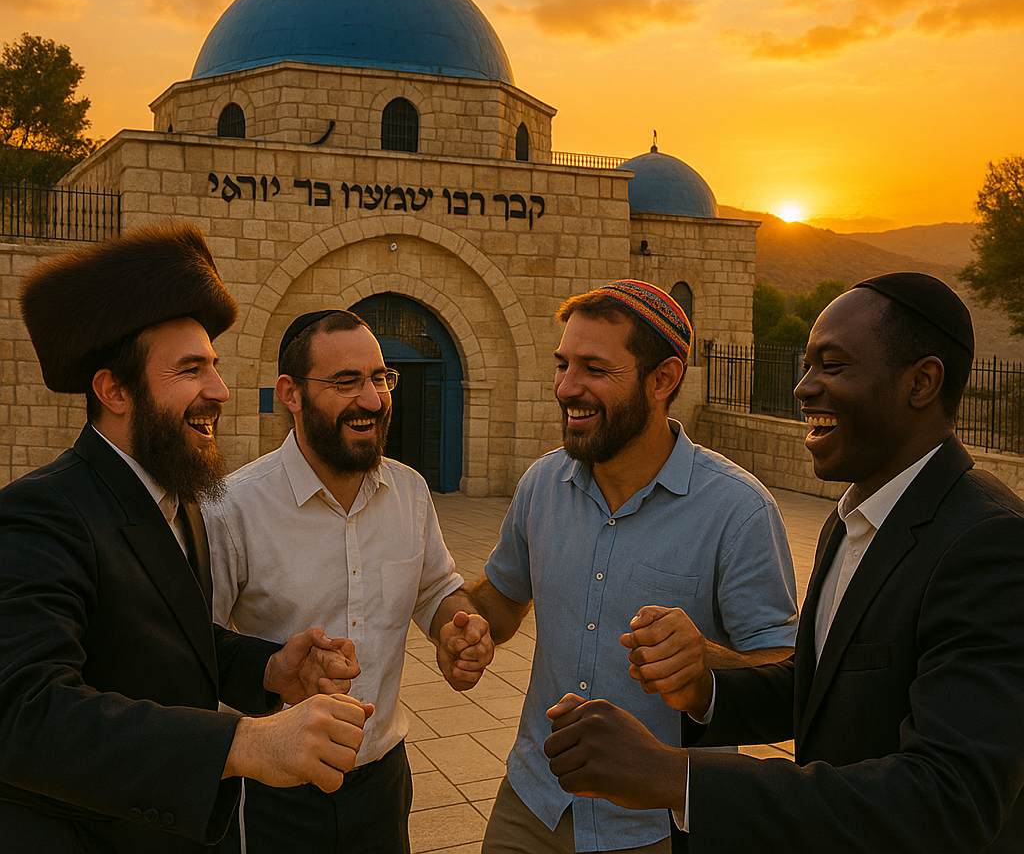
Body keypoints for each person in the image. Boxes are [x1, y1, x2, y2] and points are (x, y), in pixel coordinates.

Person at [545, 272, 1024, 853]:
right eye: (805, 365)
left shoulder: (988, 542)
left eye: (833, 366)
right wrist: (704, 688)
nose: (803, 388)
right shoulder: (853, 519)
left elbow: (949, 798)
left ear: (921, 382)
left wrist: (674, 775)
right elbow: (822, 687)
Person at [0, 223, 372, 854]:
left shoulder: (180, 498)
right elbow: (25, 714)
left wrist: (268, 669)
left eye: (216, 367)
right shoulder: (42, 512)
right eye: (190, 369)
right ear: (114, 390)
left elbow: (166, 642)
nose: (219, 391)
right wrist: (242, 742)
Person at [461, 279, 798, 854]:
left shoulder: (737, 511)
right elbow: (502, 598)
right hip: (533, 801)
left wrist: (704, 662)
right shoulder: (542, 484)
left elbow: (786, 675)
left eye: (594, 368)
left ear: (663, 379)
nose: (566, 387)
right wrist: (462, 623)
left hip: (654, 823)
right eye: (562, 364)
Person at [203, 309, 493, 854]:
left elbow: (436, 590)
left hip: (382, 782)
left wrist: (455, 627)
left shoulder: (409, 491)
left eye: (380, 378)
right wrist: (273, 672)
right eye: (345, 382)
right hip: (271, 791)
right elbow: (196, 648)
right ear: (290, 393)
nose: (372, 400)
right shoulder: (231, 508)